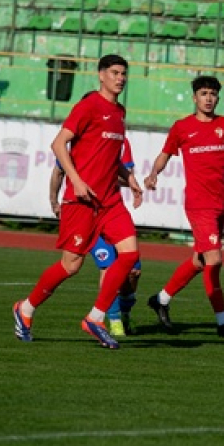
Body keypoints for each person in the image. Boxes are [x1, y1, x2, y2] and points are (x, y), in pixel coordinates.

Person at [12, 54, 142, 350]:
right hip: (81, 201)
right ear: (101, 75)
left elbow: (110, 157)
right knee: (71, 266)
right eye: (115, 73)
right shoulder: (88, 106)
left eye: (124, 73)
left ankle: (95, 318)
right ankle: (26, 308)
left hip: (109, 200)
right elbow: (58, 144)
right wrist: (77, 180)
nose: (120, 78)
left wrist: (129, 178)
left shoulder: (119, 112)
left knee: (130, 254)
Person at [143, 75, 224, 344]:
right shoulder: (182, 128)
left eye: (213, 93)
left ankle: (161, 299)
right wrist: (153, 174)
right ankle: (223, 322)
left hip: (219, 203)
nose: (209, 98)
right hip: (198, 203)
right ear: (194, 97)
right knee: (214, 260)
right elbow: (165, 154)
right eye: (203, 93)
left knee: (201, 260)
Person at [49, 135, 142, 339]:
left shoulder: (121, 141)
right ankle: (112, 319)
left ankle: (125, 312)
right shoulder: (80, 142)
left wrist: (111, 176)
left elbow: (125, 174)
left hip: (112, 211)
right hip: (88, 214)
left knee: (133, 271)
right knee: (106, 266)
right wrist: (54, 201)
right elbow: (58, 172)